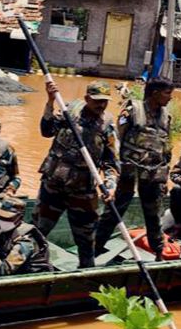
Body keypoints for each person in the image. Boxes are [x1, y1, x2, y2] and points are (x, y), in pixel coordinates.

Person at [34, 81, 120, 268]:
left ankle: (85, 276)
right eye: (97, 101)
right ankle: (30, 269)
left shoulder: (107, 125)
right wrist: (50, 101)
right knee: (37, 233)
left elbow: (112, 163)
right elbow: (46, 131)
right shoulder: (69, 111)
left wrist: (111, 186)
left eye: (105, 101)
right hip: (53, 186)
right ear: (87, 98)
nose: (102, 105)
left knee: (87, 242)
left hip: (82, 193)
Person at [94, 79, 173, 259]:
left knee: (154, 215)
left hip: (153, 174)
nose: (170, 97)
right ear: (154, 93)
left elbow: (167, 147)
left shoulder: (166, 116)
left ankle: (159, 253)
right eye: (167, 93)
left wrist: (165, 175)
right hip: (128, 173)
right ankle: (94, 249)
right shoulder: (132, 111)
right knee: (114, 211)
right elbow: (116, 141)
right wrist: (113, 171)